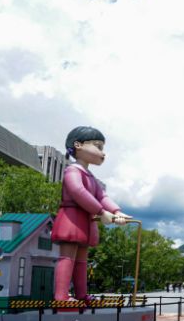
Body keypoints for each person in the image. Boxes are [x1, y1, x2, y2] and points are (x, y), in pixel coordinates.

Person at [51, 126, 129, 302]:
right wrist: (101, 212)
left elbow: (102, 196)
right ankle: (61, 297)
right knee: (67, 257)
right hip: (72, 218)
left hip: (85, 219)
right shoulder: (73, 171)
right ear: (78, 145)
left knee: (81, 260)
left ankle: (81, 294)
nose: (102, 153)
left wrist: (116, 211)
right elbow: (78, 192)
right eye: (98, 146)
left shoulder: (90, 176)